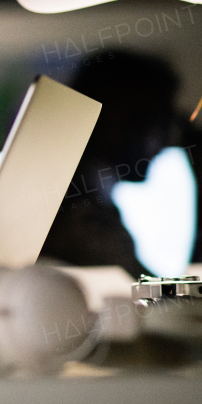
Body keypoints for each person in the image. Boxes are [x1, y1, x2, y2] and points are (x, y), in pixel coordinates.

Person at [40, 51, 179, 277]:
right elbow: (147, 295)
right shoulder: (78, 218)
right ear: (117, 120)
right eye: (158, 123)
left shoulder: (81, 198)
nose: (163, 144)